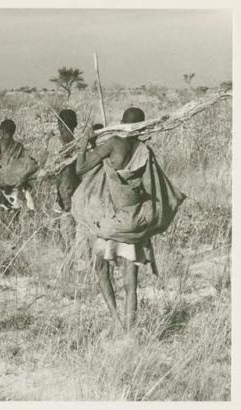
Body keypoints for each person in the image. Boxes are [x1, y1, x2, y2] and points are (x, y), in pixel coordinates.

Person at [72, 107, 185, 332]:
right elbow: (150, 188)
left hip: (110, 222)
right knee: (130, 283)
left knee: (101, 269)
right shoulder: (145, 151)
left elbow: (80, 168)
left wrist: (85, 142)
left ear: (122, 123)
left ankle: (115, 320)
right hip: (135, 223)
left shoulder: (114, 142)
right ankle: (130, 333)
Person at [0, 119, 37, 213]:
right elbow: (23, 163)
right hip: (14, 178)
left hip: (1, 178)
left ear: (3, 131)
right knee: (15, 202)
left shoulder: (0, 142)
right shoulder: (19, 146)